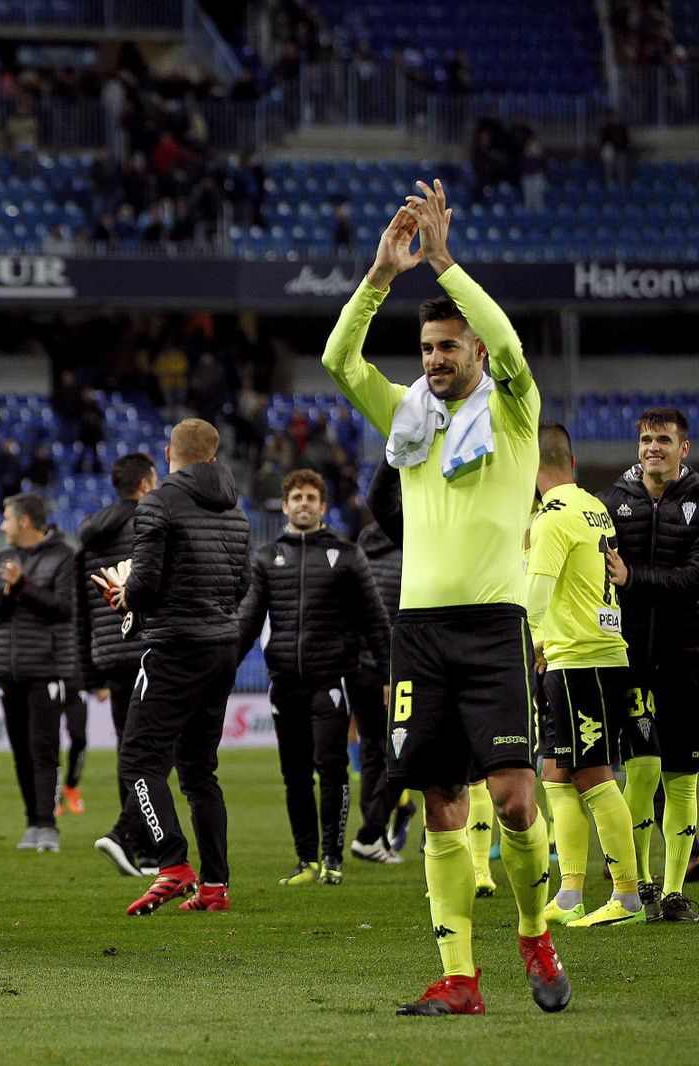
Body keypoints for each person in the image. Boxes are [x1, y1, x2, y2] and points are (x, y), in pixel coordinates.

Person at [322, 180, 568, 1016]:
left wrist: (448, 264)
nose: (434, 359)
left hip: (495, 627)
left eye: (448, 348)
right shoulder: (406, 420)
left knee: (513, 799)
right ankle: (460, 980)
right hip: (418, 634)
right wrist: (380, 278)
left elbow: (510, 340)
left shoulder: (516, 414)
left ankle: (535, 931)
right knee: (439, 804)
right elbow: (338, 361)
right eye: (427, 347)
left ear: (476, 355)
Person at [95, 419, 249, 916]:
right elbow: (242, 584)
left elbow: (146, 580)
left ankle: (173, 864)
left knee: (139, 759)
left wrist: (126, 594)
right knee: (201, 770)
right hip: (222, 646)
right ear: (213, 455)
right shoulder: (236, 509)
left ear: (168, 453)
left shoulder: (157, 503)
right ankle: (215, 886)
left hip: (175, 647)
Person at [236, 469, 389, 886]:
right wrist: (220, 668)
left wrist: (391, 675)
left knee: (332, 767)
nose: (303, 504)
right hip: (284, 682)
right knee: (295, 774)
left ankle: (332, 857)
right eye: (296, 498)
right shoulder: (267, 558)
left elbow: (375, 621)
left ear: (323, 507)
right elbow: (248, 621)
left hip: (331, 681)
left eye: (310, 498)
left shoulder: (347, 555)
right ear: (285, 506)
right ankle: (305, 860)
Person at [529, 422, 644, 928]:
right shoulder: (593, 506)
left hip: (581, 658)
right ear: (571, 462)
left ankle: (628, 896)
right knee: (555, 772)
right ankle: (570, 892)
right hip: (579, 653)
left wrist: (530, 642)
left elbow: (536, 591)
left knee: (593, 774)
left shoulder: (549, 519)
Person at [599, 406, 699, 922]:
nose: (652, 448)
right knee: (640, 771)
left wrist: (634, 578)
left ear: (684, 447)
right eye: (645, 440)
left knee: (683, 776)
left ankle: (676, 890)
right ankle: (637, 885)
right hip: (631, 658)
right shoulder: (614, 503)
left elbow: (694, 576)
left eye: (663, 439)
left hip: (686, 658)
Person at [0, 493, 80, 853]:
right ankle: (32, 821)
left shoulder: (63, 557)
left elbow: (64, 609)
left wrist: (22, 587)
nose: (2, 525)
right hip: (9, 668)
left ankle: (48, 824)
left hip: (46, 668)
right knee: (21, 750)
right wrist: (8, 592)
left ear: (24, 521)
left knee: (44, 748)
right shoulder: (5, 558)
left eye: (6, 518)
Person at [80, 453, 161, 877]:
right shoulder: (154, 523)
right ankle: (138, 840)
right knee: (158, 750)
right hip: (150, 646)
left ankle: (138, 843)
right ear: (147, 483)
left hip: (111, 654)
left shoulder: (91, 535)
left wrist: (90, 668)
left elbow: (83, 606)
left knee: (129, 751)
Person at [350, 463, 409, 861]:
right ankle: (372, 831)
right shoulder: (414, 550)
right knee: (403, 753)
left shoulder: (361, 548)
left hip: (358, 667)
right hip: (398, 668)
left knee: (373, 751)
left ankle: (375, 835)